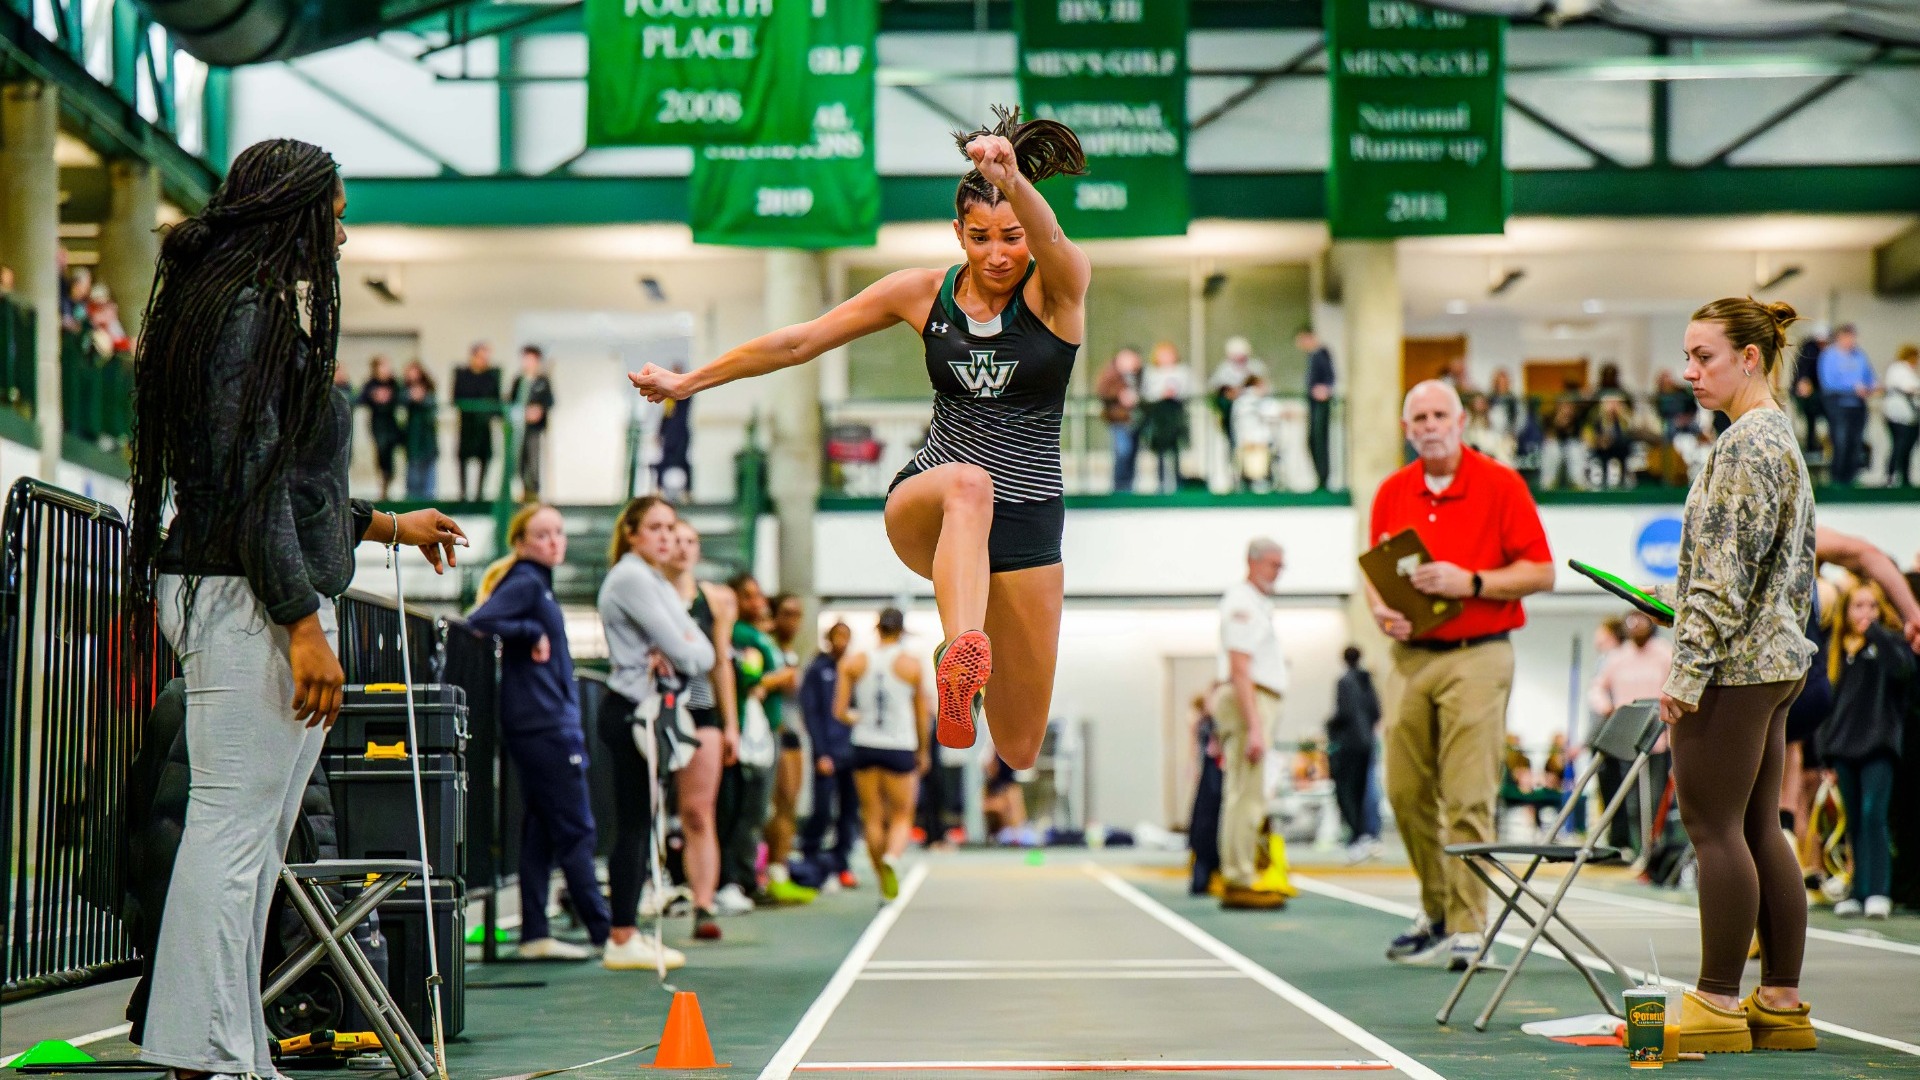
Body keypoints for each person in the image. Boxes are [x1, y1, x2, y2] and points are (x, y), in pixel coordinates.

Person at [123, 139, 465, 1078]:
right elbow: (244, 484)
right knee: (232, 835)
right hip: (248, 604)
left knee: (253, 841)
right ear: (295, 215)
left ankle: (230, 1050)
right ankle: (201, 1055)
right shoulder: (241, 315)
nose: (343, 236)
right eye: (337, 216)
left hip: (249, 593)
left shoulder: (247, 311)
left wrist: (387, 526)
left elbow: (288, 486)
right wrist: (301, 622)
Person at [632, 106, 1088, 772]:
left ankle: (963, 664)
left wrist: (1014, 179)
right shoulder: (920, 293)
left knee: (1018, 747)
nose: (997, 254)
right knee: (971, 481)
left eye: (1011, 238)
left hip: (1029, 521)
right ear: (957, 233)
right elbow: (798, 342)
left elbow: (1053, 237)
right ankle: (962, 650)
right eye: (980, 237)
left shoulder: (1059, 292)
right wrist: (689, 381)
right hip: (934, 502)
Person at [1658, 297, 1817, 1054]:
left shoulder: (1745, 446)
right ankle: (1780, 1000)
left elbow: (1724, 578)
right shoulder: (1776, 436)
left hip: (1735, 667)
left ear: (1750, 358)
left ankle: (1717, 1001)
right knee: (1759, 828)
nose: (1690, 372)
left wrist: (1686, 670)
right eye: (1687, 357)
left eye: (1705, 356)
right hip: (1776, 660)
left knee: (1713, 829)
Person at [1366, 379, 1554, 968]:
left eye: (1439, 414)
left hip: (1480, 651)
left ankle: (1471, 926)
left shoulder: (1501, 483)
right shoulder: (1392, 492)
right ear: (1406, 429)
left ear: (1461, 422)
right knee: (1402, 790)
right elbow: (1378, 576)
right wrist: (1381, 612)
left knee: (1469, 793)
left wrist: (1470, 582)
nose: (1429, 424)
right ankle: (1439, 908)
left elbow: (1542, 572)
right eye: (1418, 416)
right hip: (1411, 656)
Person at [468, 504, 613, 960]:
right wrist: (529, 631)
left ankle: (535, 931)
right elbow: (480, 621)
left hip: (545, 720)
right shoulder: (527, 581)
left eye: (559, 533)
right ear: (521, 542)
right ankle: (606, 932)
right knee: (576, 829)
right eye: (543, 534)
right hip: (543, 723)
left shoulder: (539, 585)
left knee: (541, 832)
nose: (554, 541)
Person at [595, 495, 709, 971]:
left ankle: (627, 930)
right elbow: (691, 655)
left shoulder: (654, 579)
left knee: (644, 823)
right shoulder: (632, 577)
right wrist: (682, 646)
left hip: (646, 710)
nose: (666, 537)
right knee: (636, 824)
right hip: (629, 710)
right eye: (656, 528)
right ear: (632, 534)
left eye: (670, 527)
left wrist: (684, 645)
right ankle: (621, 935)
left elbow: (700, 651)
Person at [662, 521, 737, 941]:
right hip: (654, 708)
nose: (684, 547)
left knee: (697, 812)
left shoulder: (715, 599)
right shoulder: (649, 590)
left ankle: (703, 903)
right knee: (649, 810)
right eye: (677, 539)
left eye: (692, 541)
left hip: (701, 709)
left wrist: (732, 725)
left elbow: (721, 663)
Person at [1819, 581, 1911, 919]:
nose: (1865, 614)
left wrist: (1878, 635)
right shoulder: (1837, 649)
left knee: (1874, 815)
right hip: (1843, 748)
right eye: (1858, 606)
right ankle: (1858, 890)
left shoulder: (1891, 643)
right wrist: (1825, 755)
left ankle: (1879, 891)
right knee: (1853, 820)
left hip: (1879, 746)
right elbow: (1828, 705)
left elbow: (1904, 672)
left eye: (1872, 606)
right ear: (1846, 611)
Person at [834, 608, 930, 901]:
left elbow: (839, 711)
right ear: (901, 631)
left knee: (872, 817)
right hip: (899, 746)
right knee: (902, 815)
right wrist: (923, 750)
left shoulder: (854, 662)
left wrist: (857, 718)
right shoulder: (911, 665)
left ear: (877, 629)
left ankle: (880, 879)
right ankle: (892, 856)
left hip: (865, 745)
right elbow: (921, 714)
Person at [1214, 538, 1289, 910]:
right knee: (1247, 794)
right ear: (1253, 562)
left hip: (1253, 699)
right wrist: (1255, 726)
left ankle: (1238, 871)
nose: (1278, 572)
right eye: (1274, 564)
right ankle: (1239, 874)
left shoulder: (1255, 602)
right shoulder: (1242, 602)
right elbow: (1240, 668)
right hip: (1251, 700)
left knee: (1243, 791)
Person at [717, 573, 784, 914]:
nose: (757, 602)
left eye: (759, 595)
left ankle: (747, 876)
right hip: (745, 734)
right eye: (748, 596)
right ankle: (736, 879)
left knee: (758, 809)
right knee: (745, 809)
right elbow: (751, 678)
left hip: (762, 731)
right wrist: (780, 677)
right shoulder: (741, 635)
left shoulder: (759, 635)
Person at [1588, 611, 1673, 852]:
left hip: (1657, 737)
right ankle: (1637, 850)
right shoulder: (1617, 657)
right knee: (1632, 800)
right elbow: (1597, 688)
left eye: (1641, 621)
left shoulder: (1664, 652)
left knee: (1655, 797)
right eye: (1631, 622)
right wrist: (1608, 709)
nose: (1636, 626)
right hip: (1628, 737)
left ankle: (1655, 851)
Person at [762, 591, 815, 903]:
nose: (793, 621)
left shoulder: (789, 652)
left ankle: (779, 869)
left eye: (798, 615)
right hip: (774, 732)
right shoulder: (766, 649)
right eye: (787, 614)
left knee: (790, 804)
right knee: (779, 803)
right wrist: (780, 679)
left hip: (794, 733)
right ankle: (771, 871)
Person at [800, 622, 860, 887]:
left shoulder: (855, 669)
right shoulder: (817, 669)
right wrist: (821, 752)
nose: (842, 641)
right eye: (838, 636)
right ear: (829, 638)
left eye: (846, 636)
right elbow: (812, 714)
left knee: (849, 813)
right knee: (823, 810)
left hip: (853, 752)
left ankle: (841, 864)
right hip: (828, 753)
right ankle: (811, 858)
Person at [1327, 646, 1382, 862]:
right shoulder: (1367, 681)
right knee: (1368, 789)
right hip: (1368, 743)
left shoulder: (1344, 682)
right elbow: (1377, 712)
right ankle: (1370, 834)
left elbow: (1344, 713)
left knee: (1349, 792)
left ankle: (1357, 835)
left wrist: (1330, 726)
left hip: (1350, 744)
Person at [1819, 323, 1874, 485]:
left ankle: (1852, 478)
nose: (1852, 341)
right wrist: (1852, 388)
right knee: (1840, 442)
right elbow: (1828, 383)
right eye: (1849, 337)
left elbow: (1869, 378)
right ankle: (1837, 479)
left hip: (1858, 406)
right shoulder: (1829, 356)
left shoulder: (1860, 355)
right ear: (1840, 337)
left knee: (1856, 443)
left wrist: (1871, 387)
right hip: (1838, 405)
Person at [1209, 336, 1268, 474]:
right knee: (1235, 444)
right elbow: (1217, 388)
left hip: (1254, 416)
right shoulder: (1224, 369)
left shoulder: (1256, 367)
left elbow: (1264, 387)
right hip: (1234, 416)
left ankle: (1257, 474)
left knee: (1256, 445)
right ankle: (1235, 474)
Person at [1139, 340, 1191, 494]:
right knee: (1160, 450)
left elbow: (1189, 389)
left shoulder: (1182, 371)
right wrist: (1161, 393)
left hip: (1175, 413)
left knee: (1175, 450)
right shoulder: (1151, 372)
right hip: (1159, 415)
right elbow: (1146, 393)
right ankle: (1161, 483)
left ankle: (1178, 482)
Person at [453, 341, 502, 501]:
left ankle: (480, 492)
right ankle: (463, 493)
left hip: (483, 424)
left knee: (485, 457)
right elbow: (457, 397)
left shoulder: (491, 377)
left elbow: (495, 400)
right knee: (463, 457)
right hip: (467, 424)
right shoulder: (463, 375)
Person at [1187, 689, 1224, 895]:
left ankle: (1216, 871)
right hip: (1210, 775)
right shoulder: (1202, 723)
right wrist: (1192, 766)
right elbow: (1194, 748)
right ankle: (1202, 874)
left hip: (1221, 774)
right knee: (1204, 825)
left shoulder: (1220, 721)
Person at [1095, 345, 1143, 494]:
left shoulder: (1138, 375)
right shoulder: (1110, 374)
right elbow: (1102, 391)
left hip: (1135, 420)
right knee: (1123, 452)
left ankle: (1129, 487)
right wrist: (1120, 395)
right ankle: (1119, 488)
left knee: (1133, 454)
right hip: (1119, 420)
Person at [511, 345, 556, 500]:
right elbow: (511, 401)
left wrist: (538, 410)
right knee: (520, 461)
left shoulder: (543, 381)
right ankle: (523, 490)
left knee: (533, 460)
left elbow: (549, 401)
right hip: (519, 428)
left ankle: (534, 493)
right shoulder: (519, 381)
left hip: (535, 429)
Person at [356, 355, 402, 500]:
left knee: (390, 453)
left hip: (391, 423)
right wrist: (374, 396)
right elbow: (360, 399)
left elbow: (401, 398)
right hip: (377, 423)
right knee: (381, 451)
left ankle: (389, 479)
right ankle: (383, 483)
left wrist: (390, 397)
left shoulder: (394, 383)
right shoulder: (370, 384)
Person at [1299, 328, 1335, 491]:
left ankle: (1323, 477)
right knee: (1312, 440)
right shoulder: (1312, 356)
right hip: (1313, 404)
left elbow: (1330, 377)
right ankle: (1319, 476)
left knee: (1320, 440)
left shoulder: (1322, 354)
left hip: (1321, 403)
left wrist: (1325, 389)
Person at [400, 361, 439, 499]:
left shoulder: (430, 390)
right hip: (412, 438)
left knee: (429, 473)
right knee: (413, 474)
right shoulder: (403, 389)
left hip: (427, 438)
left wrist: (422, 398)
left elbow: (433, 405)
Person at [1882, 344, 1919, 488]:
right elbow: (1909, 388)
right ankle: (1891, 475)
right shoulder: (1899, 368)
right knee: (1900, 445)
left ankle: (1905, 477)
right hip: (1898, 415)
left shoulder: (1908, 371)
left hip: (1909, 417)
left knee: (1907, 447)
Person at [1793, 324, 1830, 455]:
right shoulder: (1810, 350)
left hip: (1816, 391)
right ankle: (1811, 446)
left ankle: (1813, 445)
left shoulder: (1820, 350)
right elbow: (1803, 370)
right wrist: (1803, 381)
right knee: (1811, 418)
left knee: (1814, 420)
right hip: (1809, 393)